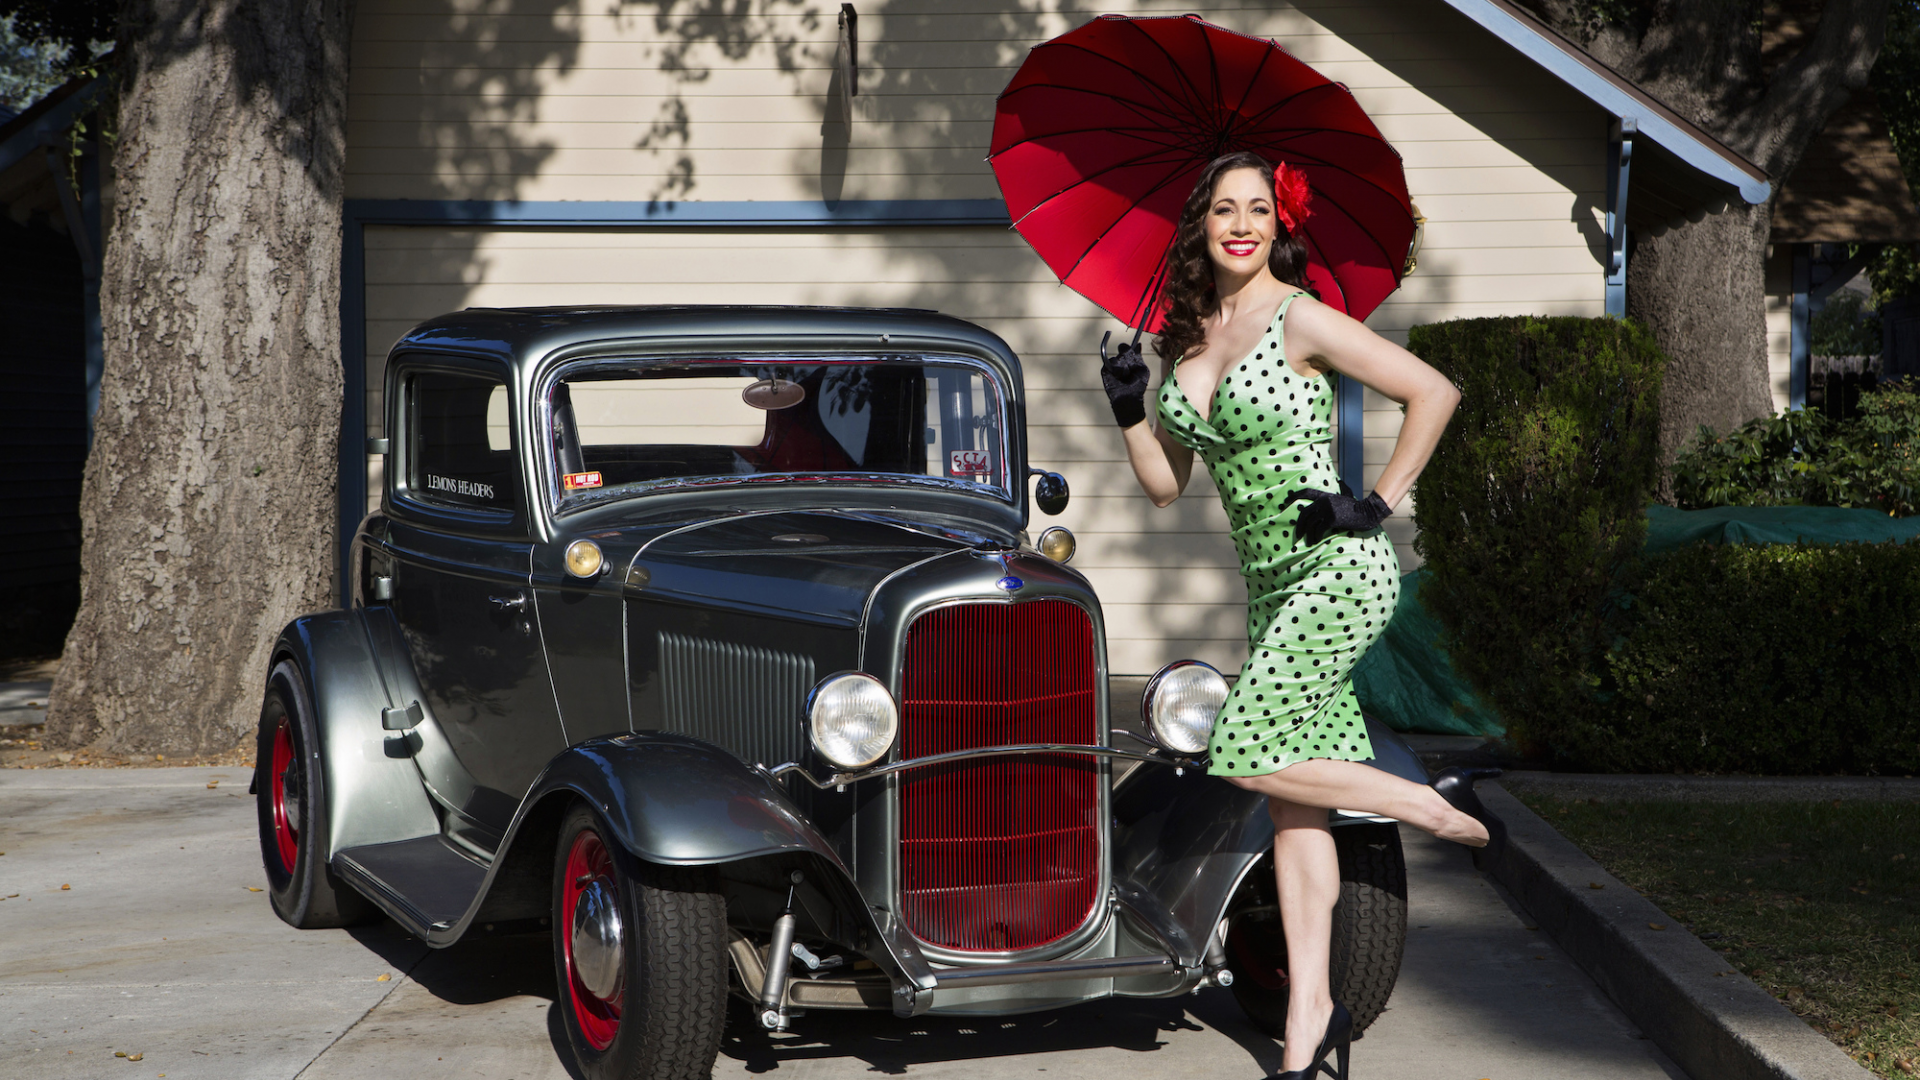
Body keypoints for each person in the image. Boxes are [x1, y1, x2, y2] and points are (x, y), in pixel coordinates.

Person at [1098, 150, 1505, 1080]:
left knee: (1243, 749)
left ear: (1280, 224)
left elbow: (1433, 391)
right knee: (1293, 812)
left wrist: (1379, 499)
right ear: (1201, 225)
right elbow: (1165, 488)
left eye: (1259, 209)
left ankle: (1428, 804)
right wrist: (1129, 410)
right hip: (1272, 587)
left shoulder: (1301, 315)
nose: (1242, 224)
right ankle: (1308, 1023)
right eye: (1225, 210)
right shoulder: (1191, 340)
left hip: (1339, 568)